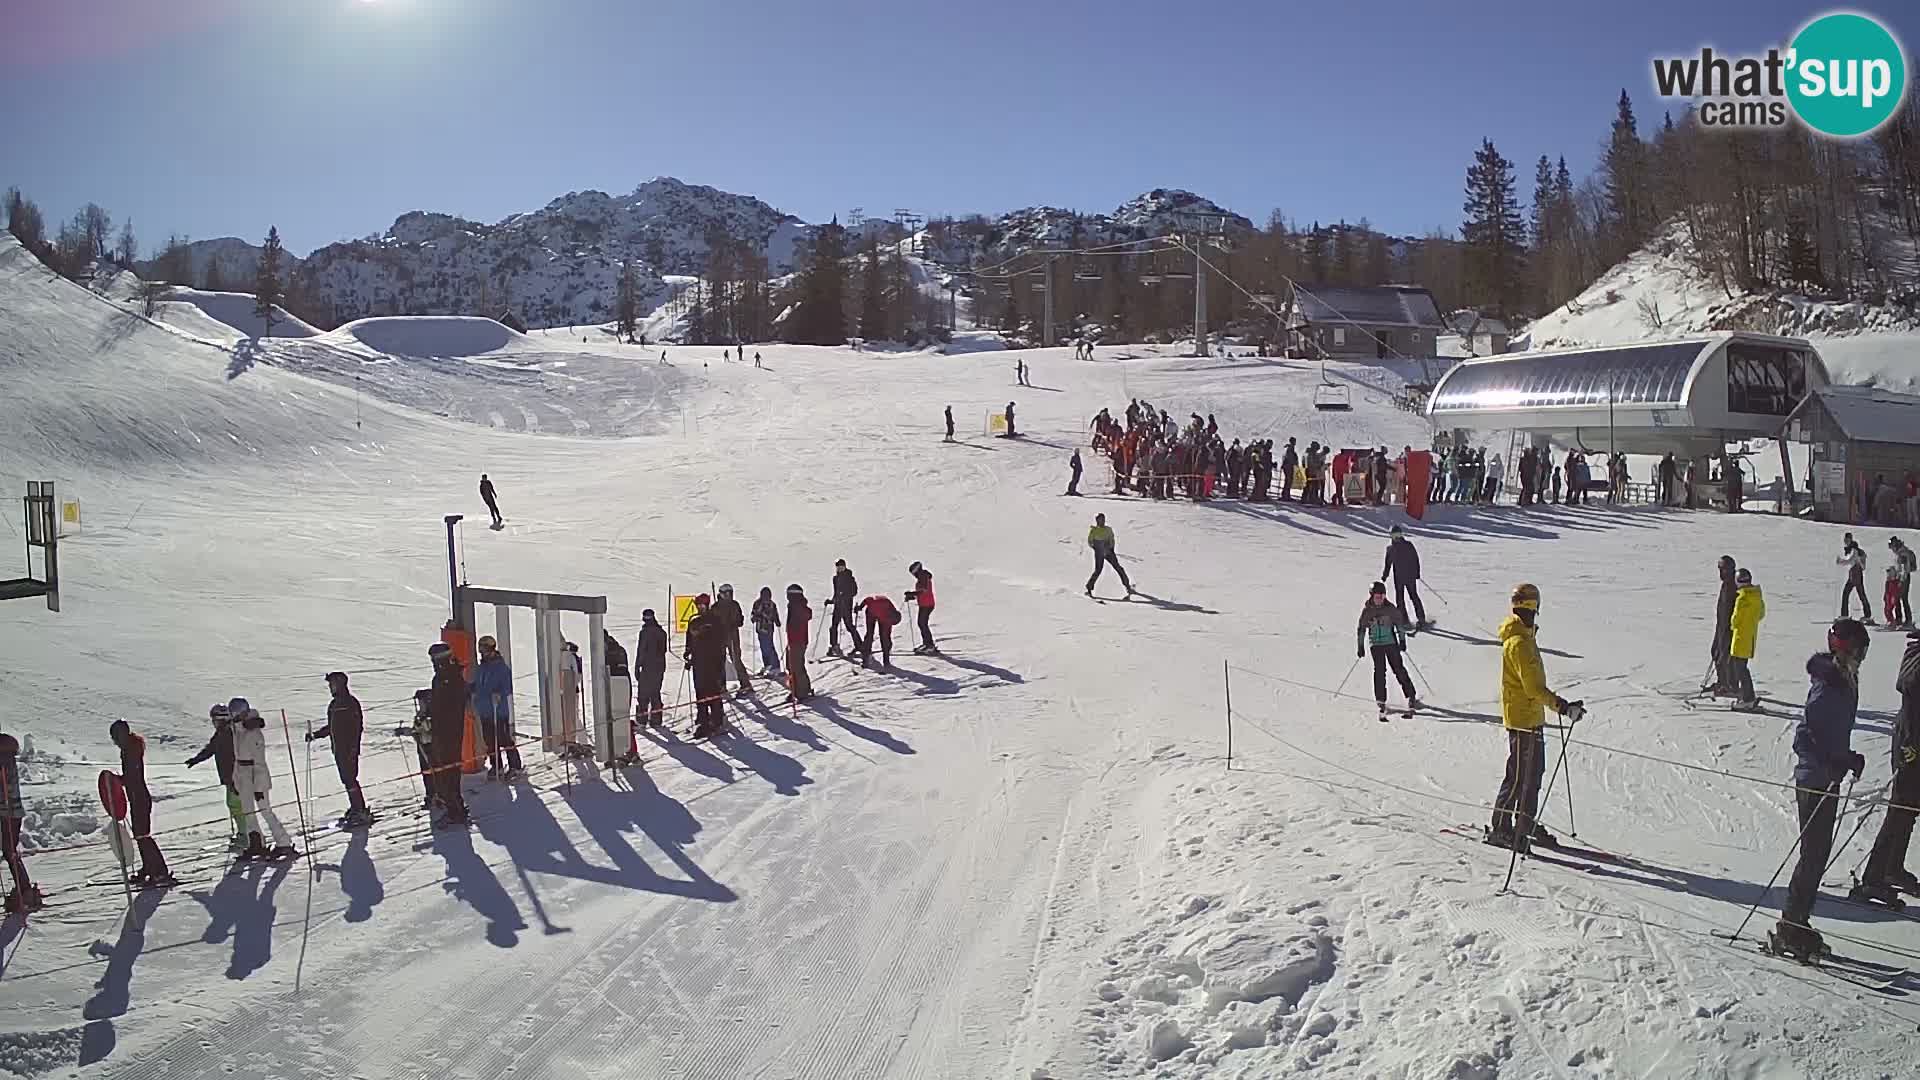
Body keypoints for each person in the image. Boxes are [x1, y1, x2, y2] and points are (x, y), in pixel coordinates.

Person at [1774, 619, 1872, 959]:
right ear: (1846, 649)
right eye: (1859, 649)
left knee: (1817, 855)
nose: (1862, 656)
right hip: (1815, 780)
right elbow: (1806, 734)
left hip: (1827, 777)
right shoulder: (1829, 683)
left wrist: (1847, 757)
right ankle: (1791, 925)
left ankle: (1796, 921)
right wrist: (1830, 762)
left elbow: (1831, 733)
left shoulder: (1844, 679)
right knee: (1813, 855)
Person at [1490, 584, 1581, 852]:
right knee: (1519, 777)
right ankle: (1501, 827)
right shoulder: (1520, 643)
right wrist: (1562, 707)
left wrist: (1561, 705)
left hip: (1530, 718)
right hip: (1522, 721)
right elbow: (1533, 689)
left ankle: (1525, 823)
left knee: (1534, 775)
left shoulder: (1525, 639)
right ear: (1533, 607)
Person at [1857, 630, 1920, 906]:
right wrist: (1910, 745)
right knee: (1900, 810)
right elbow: (1909, 690)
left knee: (1909, 810)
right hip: (1911, 745)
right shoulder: (1917, 658)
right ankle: (1874, 876)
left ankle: (1892, 867)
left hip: (1912, 741)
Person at [227, 701, 297, 858]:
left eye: (235, 713)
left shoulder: (253, 731)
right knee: (248, 812)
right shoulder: (236, 729)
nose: (233, 716)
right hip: (243, 775)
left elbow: (258, 760)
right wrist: (236, 778)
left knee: (265, 810)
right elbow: (238, 758)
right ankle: (256, 842)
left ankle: (283, 842)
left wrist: (258, 785)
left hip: (256, 775)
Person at [109, 719, 175, 883]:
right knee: (140, 835)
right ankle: (148, 867)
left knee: (143, 836)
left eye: (115, 737)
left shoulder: (131, 750)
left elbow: (133, 776)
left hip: (139, 797)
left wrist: (119, 780)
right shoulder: (129, 748)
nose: (115, 742)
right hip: (135, 797)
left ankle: (159, 870)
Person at [306, 672, 369, 825]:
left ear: (341, 684)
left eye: (332, 684)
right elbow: (332, 727)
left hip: (348, 749)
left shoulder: (350, 703)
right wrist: (316, 735)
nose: (330, 687)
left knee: (350, 778)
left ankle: (359, 809)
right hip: (338, 748)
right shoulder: (334, 705)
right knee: (346, 779)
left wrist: (354, 747)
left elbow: (357, 727)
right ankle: (356, 807)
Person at [1356, 581, 1419, 720]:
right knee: (1379, 671)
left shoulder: (1390, 609)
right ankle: (1381, 699)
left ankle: (1410, 695)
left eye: (1381, 596)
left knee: (1398, 669)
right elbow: (1361, 629)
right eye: (1377, 597)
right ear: (1372, 596)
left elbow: (1399, 625)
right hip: (1376, 644)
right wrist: (1360, 646)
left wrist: (1402, 640)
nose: (1379, 599)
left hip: (1390, 643)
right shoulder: (1368, 611)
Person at [186, 702, 245, 846]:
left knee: (237, 806)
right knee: (234, 805)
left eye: (214, 720)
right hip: (229, 776)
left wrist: (233, 778)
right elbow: (211, 748)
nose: (213, 723)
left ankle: (246, 835)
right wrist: (196, 760)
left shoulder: (229, 733)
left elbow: (233, 756)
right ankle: (244, 833)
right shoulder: (222, 732)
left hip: (234, 776)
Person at [426, 644, 471, 827]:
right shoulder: (442, 678)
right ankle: (451, 806)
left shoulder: (451, 678)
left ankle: (456, 810)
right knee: (443, 770)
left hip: (449, 732)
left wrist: (436, 718)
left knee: (449, 770)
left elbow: (450, 706)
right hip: (442, 731)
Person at [470, 635, 522, 778]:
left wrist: (499, 693)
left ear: (492, 650)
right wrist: (471, 689)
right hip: (485, 710)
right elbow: (478, 684)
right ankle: (496, 765)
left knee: (503, 738)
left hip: (498, 710)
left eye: (485, 651)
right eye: (481, 651)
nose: (483, 654)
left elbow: (508, 687)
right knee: (490, 741)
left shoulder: (501, 668)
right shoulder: (481, 668)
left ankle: (515, 766)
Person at [0, 730, 39, 913]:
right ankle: (23, 887)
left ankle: (24, 889)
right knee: (9, 850)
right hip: (10, 811)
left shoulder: (3, 761)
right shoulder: (6, 758)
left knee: (9, 851)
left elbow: (5, 786)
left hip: (9, 811)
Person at [684, 594, 728, 738]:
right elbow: (690, 640)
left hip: (712, 662)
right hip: (698, 662)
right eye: (698, 605)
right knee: (700, 692)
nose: (700, 608)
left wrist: (720, 661)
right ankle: (703, 720)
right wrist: (688, 653)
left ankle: (717, 720)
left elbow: (721, 641)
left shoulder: (715, 620)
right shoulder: (694, 621)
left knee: (713, 691)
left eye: (702, 605)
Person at [1729, 568, 1767, 710]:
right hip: (1750, 637)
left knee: (1740, 670)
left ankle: (1747, 698)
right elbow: (1761, 614)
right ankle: (1747, 696)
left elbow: (1735, 620)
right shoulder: (1757, 597)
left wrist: (1732, 624)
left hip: (1740, 638)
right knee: (1743, 668)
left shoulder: (1742, 598)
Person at [1380, 525, 1429, 628]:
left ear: (1402, 535)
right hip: (1398, 579)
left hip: (1410, 576)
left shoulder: (1408, 545)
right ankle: (1404, 620)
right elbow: (1388, 564)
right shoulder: (1390, 549)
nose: (1396, 538)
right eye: (1394, 536)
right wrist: (1385, 576)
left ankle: (1421, 619)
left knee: (1414, 596)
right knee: (1400, 599)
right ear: (1391, 536)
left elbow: (1415, 559)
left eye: (1398, 535)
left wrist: (1417, 573)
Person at [712, 583, 753, 692]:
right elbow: (712, 622)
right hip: (720, 637)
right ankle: (721, 686)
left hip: (732, 636)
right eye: (726, 594)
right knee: (720, 661)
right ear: (721, 594)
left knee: (736, 659)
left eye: (730, 593)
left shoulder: (734, 605)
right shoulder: (716, 607)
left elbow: (740, 620)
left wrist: (734, 623)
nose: (728, 596)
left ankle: (745, 684)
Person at [1085, 513, 1135, 598]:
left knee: (1118, 568)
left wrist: (1109, 548)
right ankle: (1089, 588)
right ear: (1097, 521)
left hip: (1109, 551)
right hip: (1099, 552)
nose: (1102, 521)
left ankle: (1127, 586)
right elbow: (1090, 541)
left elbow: (1112, 539)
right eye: (1100, 520)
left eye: (1103, 519)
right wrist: (1097, 548)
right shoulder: (1094, 530)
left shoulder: (1108, 529)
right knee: (1098, 570)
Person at [1708, 555, 1738, 696]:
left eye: (1723, 569)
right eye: (1719, 569)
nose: (1721, 572)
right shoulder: (1726, 584)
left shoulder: (1733, 585)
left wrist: (1728, 628)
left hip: (1729, 628)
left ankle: (1729, 685)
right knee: (1716, 652)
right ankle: (1723, 682)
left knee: (1725, 656)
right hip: (1721, 626)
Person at [635, 610, 669, 734]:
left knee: (643, 694)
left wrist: (637, 666)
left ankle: (642, 721)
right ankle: (656, 719)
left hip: (647, 667)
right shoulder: (661, 632)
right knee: (655, 692)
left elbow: (641, 650)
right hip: (659, 667)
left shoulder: (644, 633)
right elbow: (663, 650)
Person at [603, 630, 633, 759]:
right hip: (624, 682)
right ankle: (626, 750)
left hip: (616, 684)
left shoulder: (609, 651)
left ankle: (624, 750)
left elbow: (609, 669)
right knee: (622, 717)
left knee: (618, 718)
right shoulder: (618, 649)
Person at [785, 584, 814, 701]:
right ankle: (796, 690)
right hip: (793, 640)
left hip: (798, 641)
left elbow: (804, 617)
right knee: (790, 665)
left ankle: (802, 691)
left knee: (796, 666)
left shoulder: (798, 607)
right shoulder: (793, 606)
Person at [858, 592, 901, 668]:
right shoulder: (883, 602)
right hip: (871, 613)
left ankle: (886, 660)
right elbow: (867, 599)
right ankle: (866, 655)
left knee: (884, 637)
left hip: (881, 616)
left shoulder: (889, 620)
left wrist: (888, 644)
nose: (890, 623)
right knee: (869, 634)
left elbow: (887, 635)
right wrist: (860, 607)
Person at [1839, 533, 1873, 622]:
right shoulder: (1853, 549)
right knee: (1860, 594)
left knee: (1847, 593)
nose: (1845, 541)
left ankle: (1845, 615)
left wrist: (1840, 561)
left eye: (1847, 540)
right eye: (1845, 540)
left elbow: (1850, 560)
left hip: (1855, 574)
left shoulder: (1854, 550)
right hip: (1855, 574)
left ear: (1850, 540)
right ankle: (1867, 614)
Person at [751, 587, 783, 678]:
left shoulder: (772, 604)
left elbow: (775, 614)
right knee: (763, 647)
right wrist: (754, 618)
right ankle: (767, 665)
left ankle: (775, 666)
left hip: (768, 629)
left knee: (768, 647)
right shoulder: (757, 603)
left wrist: (777, 621)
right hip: (760, 628)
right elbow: (753, 613)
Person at [907, 562, 938, 654]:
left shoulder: (923, 576)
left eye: (913, 573)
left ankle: (929, 645)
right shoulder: (922, 577)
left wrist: (912, 594)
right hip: (925, 603)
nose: (914, 575)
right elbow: (922, 592)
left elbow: (923, 590)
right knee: (922, 623)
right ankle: (927, 644)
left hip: (927, 604)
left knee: (922, 624)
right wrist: (912, 596)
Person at [1894, 537, 1917, 628]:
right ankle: (1904, 619)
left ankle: (1905, 620)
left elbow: (1904, 569)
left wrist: (1900, 580)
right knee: (1902, 599)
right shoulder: (1903, 552)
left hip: (1903, 578)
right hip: (1903, 578)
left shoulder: (1902, 554)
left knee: (1901, 598)